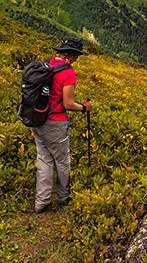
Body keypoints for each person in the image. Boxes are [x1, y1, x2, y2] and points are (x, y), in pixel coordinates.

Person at [31, 36, 93, 213]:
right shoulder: (68, 72)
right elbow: (67, 103)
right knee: (62, 160)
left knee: (44, 158)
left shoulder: (47, 63)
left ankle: (41, 201)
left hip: (37, 119)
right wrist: (84, 108)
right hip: (55, 122)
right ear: (73, 54)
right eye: (77, 56)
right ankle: (64, 197)